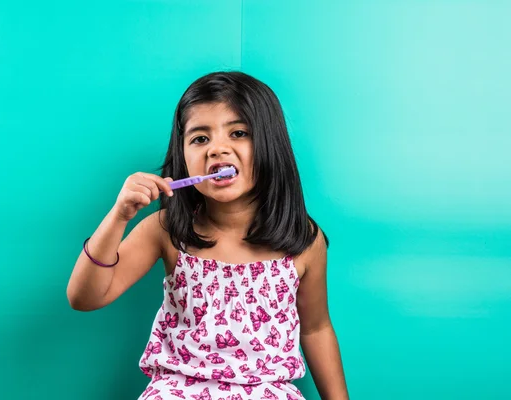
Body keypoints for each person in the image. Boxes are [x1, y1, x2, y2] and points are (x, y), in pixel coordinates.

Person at [67, 71, 349, 399]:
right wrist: (119, 217)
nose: (217, 149)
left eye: (239, 133)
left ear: (271, 144)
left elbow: (316, 329)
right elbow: (84, 298)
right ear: (183, 159)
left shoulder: (303, 240)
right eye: (200, 138)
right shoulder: (167, 229)